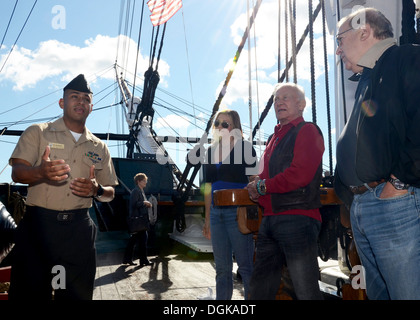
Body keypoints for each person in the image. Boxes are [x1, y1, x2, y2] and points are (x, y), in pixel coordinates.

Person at [334, 7, 420, 300]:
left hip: (395, 206)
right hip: (366, 207)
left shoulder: (407, 58)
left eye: (340, 39)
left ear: (364, 31)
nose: (337, 50)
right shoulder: (368, 79)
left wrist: (399, 183)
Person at [8, 74, 118, 300]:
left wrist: (96, 190)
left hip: (78, 232)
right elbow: (17, 173)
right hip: (38, 227)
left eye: (86, 99)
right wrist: (40, 172)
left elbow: (110, 193)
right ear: (62, 102)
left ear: (91, 107)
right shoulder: (38, 132)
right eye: (74, 97)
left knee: (74, 296)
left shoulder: (100, 147)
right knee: (29, 293)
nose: (80, 102)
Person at [246, 83, 324, 300]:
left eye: (285, 98)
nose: (278, 102)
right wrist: (255, 187)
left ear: (301, 105)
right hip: (270, 221)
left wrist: (262, 187)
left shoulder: (308, 130)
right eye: (275, 99)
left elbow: (300, 174)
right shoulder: (273, 139)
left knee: (305, 290)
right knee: (259, 291)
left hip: (297, 219)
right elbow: (264, 177)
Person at [202, 109, 257, 300]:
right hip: (216, 213)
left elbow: (254, 180)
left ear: (235, 127)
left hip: (239, 212)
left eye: (225, 124)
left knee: (246, 267)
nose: (220, 127)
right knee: (222, 269)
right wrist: (207, 218)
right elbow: (208, 188)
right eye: (217, 123)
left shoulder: (246, 148)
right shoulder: (210, 152)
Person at [123, 173, 152, 267]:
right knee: (142, 240)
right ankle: (143, 260)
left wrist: (146, 204)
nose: (145, 182)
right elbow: (134, 204)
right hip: (138, 221)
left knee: (134, 241)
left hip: (139, 220)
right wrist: (144, 202)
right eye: (144, 181)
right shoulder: (136, 191)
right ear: (138, 181)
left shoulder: (140, 190)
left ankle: (128, 259)